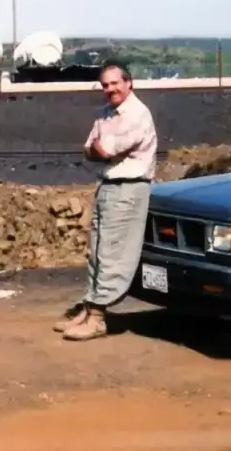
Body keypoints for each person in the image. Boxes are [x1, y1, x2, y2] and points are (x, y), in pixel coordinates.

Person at [55, 61, 158, 341]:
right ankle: (90, 308)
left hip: (128, 189)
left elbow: (107, 149)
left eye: (115, 83)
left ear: (128, 83)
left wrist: (101, 149)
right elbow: (90, 149)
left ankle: (99, 318)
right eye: (105, 85)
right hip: (107, 186)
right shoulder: (105, 114)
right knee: (97, 252)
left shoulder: (138, 115)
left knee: (113, 252)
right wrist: (100, 149)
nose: (109, 89)